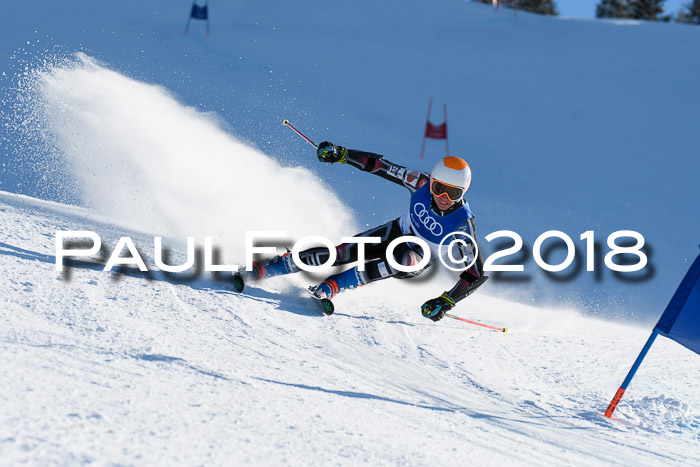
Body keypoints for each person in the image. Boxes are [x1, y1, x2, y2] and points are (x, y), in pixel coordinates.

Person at [240, 142, 488, 322]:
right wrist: (343, 155)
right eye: (439, 187)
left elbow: (474, 274)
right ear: (431, 180)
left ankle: (334, 286)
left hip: (416, 257)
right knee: (341, 253)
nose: (444, 197)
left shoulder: (461, 225)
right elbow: (381, 166)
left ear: (463, 193)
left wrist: (445, 301)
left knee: (399, 258)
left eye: (453, 193)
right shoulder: (419, 182)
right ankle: (275, 266)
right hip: (397, 230)